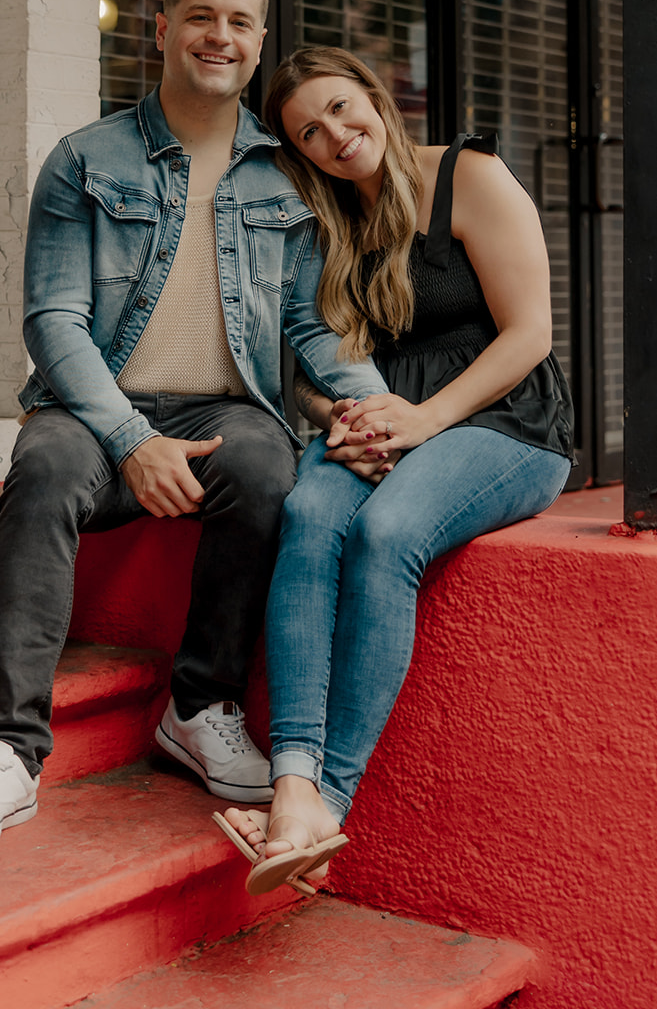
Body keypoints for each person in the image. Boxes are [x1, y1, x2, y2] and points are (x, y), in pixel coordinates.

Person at [0, 0, 388, 845]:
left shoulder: (284, 176)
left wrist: (370, 408)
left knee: (264, 462)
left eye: (240, 23)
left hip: (223, 413)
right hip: (97, 409)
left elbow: (308, 327)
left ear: (258, 46)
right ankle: (8, 751)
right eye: (201, 17)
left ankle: (198, 707)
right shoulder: (84, 159)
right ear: (163, 28)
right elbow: (52, 321)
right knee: (47, 459)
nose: (220, 36)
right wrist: (131, 438)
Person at [217, 46, 573, 894]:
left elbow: (530, 334)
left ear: (373, 97)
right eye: (310, 131)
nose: (335, 136)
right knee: (307, 516)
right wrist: (341, 420)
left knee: (386, 532)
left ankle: (327, 802)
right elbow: (310, 367)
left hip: (503, 421)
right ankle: (293, 784)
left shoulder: (467, 174)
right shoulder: (330, 222)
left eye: (342, 109)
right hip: (386, 420)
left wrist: (422, 421)